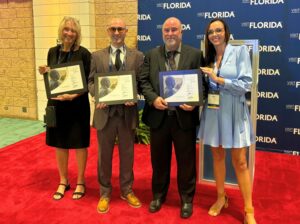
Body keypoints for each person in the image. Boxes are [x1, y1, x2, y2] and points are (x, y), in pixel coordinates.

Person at [139, 17, 205, 219]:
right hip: (159, 117)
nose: (170, 33)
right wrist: (152, 99)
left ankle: (186, 199)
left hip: (183, 119)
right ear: (162, 33)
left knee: (186, 162)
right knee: (159, 161)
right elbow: (143, 81)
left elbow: (202, 85)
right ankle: (158, 196)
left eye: (174, 29)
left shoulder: (195, 55)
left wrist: (193, 102)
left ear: (181, 32)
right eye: (166, 30)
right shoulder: (151, 55)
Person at [198, 18, 256, 224]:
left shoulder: (239, 51)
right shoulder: (208, 57)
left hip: (234, 111)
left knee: (240, 161)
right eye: (211, 31)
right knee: (217, 155)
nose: (215, 34)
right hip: (213, 111)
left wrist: (219, 79)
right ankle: (221, 198)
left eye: (218, 30)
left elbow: (247, 84)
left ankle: (249, 209)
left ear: (226, 32)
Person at [88, 18, 144, 214]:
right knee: (104, 156)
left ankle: (127, 190)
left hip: (127, 113)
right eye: (113, 28)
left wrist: (135, 96)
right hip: (105, 114)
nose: (117, 32)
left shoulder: (138, 56)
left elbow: (140, 82)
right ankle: (104, 193)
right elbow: (91, 82)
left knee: (127, 155)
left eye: (120, 28)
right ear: (108, 31)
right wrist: (97, 95)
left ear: (126, 31)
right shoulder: (96, 56)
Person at [38, 16, 91, 200]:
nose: (69, 33)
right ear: (61, 31)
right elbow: (53, 77)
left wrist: (74, 95)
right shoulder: (52, 52)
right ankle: (63, 180)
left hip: (78, 106)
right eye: (66, 29)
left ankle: (81, 181)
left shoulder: (84, 54)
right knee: (60, 143)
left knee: (79, 143)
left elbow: (89, 83)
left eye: (73, 30)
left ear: (77, 34)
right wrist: (44, 71)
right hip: (57, 106)